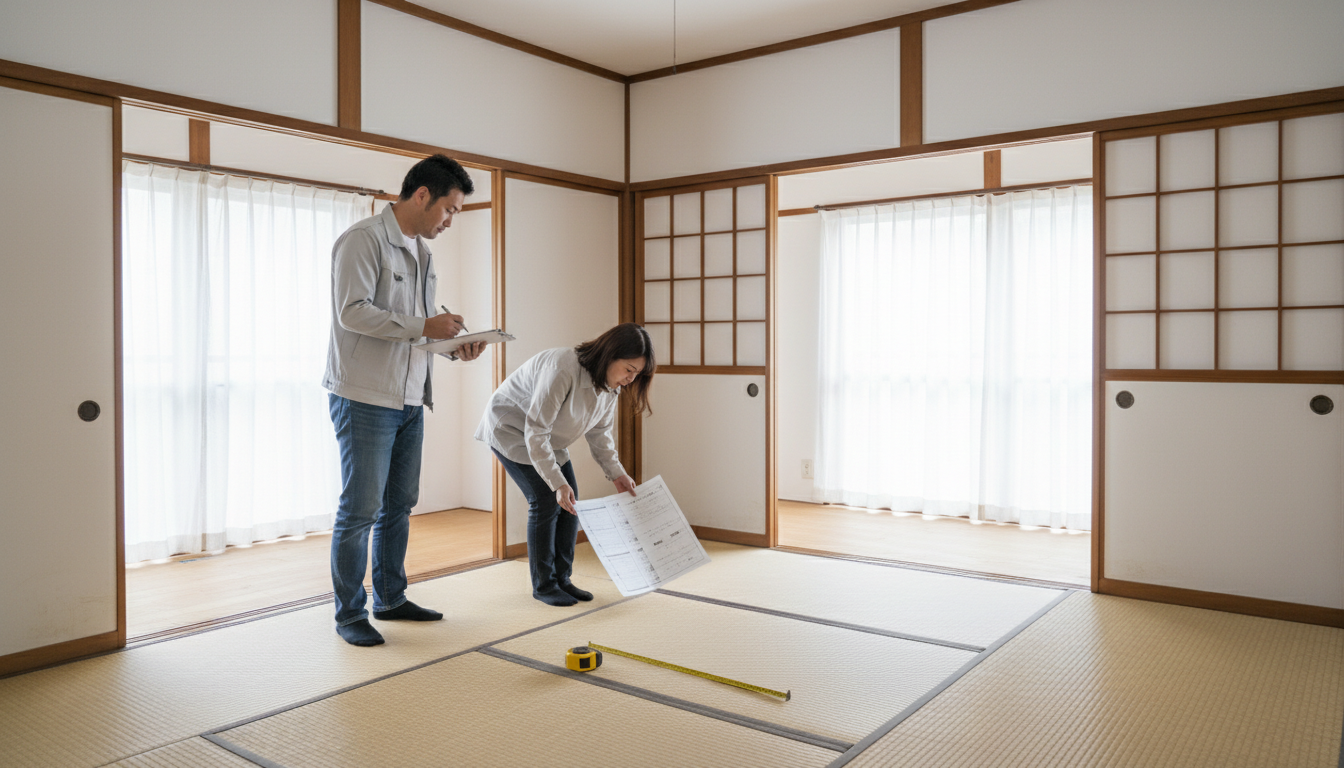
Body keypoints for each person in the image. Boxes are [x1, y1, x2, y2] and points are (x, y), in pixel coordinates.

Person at [323, 154, 488, 647]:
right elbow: (352, 313)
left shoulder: (423, 252)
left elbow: (418, 327)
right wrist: (424, 326)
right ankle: (349, 614)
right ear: (422, 196)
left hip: (411, 397)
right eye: (451, 210)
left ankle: (390, 598)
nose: (451, 220)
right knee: (360, 509)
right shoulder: (362, 241)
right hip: (364, 395)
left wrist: (453, 347)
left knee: (400, 504)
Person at [476, 323, 656, 606]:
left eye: (636, 374)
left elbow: (599, 434)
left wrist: (617, 474)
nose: (631, 379)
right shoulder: (562, 368)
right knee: (547, 501)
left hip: (549, 440)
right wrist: (557, 483)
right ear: (610, 355)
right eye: (629, 370)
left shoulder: (611, 386)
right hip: (513, 431)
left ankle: (563, 579)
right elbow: (535, 430)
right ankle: (544, 585)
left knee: (571, 504)